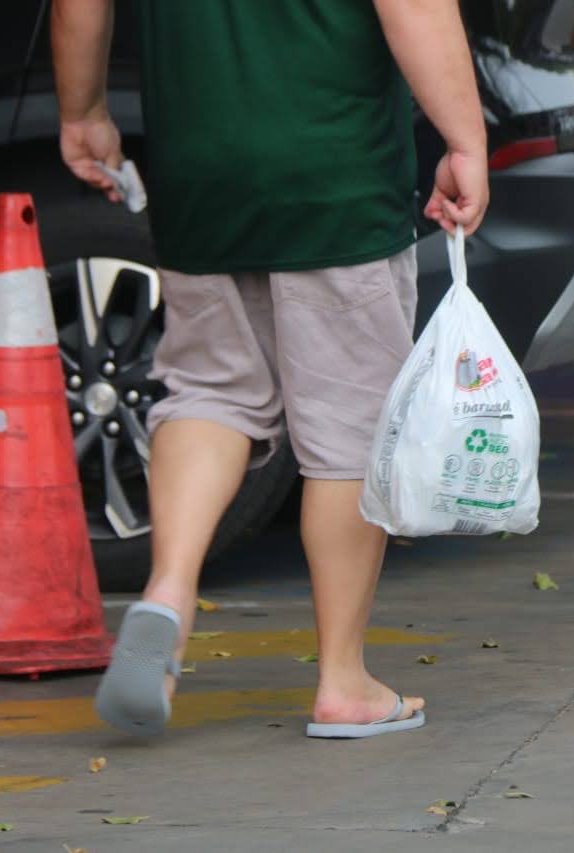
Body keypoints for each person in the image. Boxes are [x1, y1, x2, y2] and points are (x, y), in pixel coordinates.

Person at [51, 0, 488, 738]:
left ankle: (168, 590)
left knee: (209, 390)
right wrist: (464, 138)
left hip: (200, 171)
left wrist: (83, 109)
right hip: (333, 170)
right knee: (349, 429)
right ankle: (343, 680)